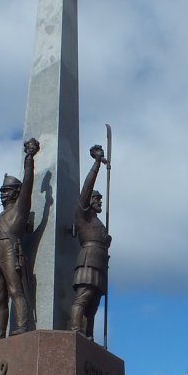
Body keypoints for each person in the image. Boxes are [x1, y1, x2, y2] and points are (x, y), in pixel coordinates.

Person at [0, 138, 40, 338]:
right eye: (2, 191)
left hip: (10, 249)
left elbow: (28, 182)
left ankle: (22, 326)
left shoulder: (20, 208)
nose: (3, 194)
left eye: (7, 191)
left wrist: (29, 158)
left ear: (17, 192)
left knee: (15, 290)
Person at [69, 144, 110, 338]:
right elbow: (86, 189)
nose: (99, 201)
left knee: (93, 304)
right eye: (96, 198)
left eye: (101, 199)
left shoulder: (98, 222)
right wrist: (97, 164)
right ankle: (76, 330)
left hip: (100, 263)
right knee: (83, 298)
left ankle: (88, 335)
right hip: (88, 261)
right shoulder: (83, 216)